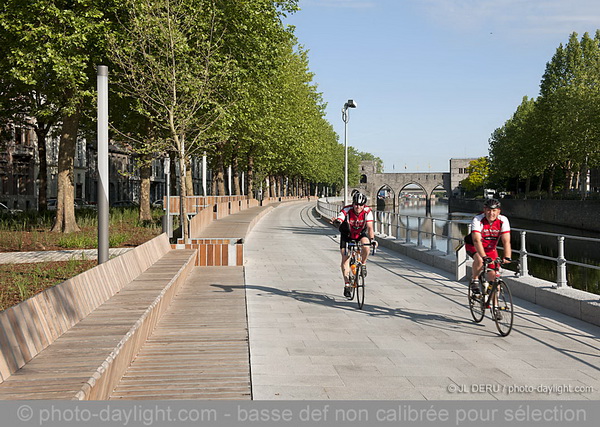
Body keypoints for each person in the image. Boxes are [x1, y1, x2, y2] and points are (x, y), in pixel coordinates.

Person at [331, 191, 377, 297]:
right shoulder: (347, 210)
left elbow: (370, 227)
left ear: (364, 205)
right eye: (356, 204)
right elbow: (340, 217)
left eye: (361, 205)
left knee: (366, 245)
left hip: (360, 233)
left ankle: (363, 264)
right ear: (353, 204)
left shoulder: (367, 211)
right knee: (345, 257)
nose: (358, 207)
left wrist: (372, 239)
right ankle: (347, 284)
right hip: (347, 234)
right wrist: (337, 221)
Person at [464, 198, 512, 296]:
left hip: (490, 248)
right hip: (473, 246)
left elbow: (506, 241)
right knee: (480, 260)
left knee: (495, 279)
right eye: (489, 210)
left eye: (494, 210)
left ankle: (495, 306)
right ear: (484, 210)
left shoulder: (503, 220)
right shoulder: (478, 219)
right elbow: (476, 240)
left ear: (498, 211)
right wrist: (484, 257)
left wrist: (507, 256)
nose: (491, 213)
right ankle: (475, 279)